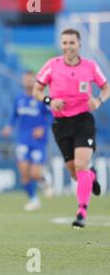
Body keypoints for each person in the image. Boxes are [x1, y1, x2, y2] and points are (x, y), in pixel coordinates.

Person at [33, 28, 110, 228]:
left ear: (79, 44)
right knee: (76, 173)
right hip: (61, 124)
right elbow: (37, 90)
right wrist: (50, 100)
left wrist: (99, 101)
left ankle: (81, 212)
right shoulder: (52, 65)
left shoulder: (91, 67)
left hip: (83, 120)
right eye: (65, 43)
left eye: (72, 43)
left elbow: (106, 87)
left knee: (81, 165)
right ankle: (90, 177)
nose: (68, 47)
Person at [1, 71, 53, 211]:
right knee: (24, 173)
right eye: (26, 80)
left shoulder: (42, 98)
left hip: (38, 141)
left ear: (35, 81)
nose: (28, 82)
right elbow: (14, 115)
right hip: (23, 140)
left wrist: (42, 128)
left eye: (31, 80)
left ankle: (43, 179)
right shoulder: (19, 99)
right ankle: (33, 199)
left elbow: (50, 116)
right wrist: (8, 127)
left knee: (35, 174)